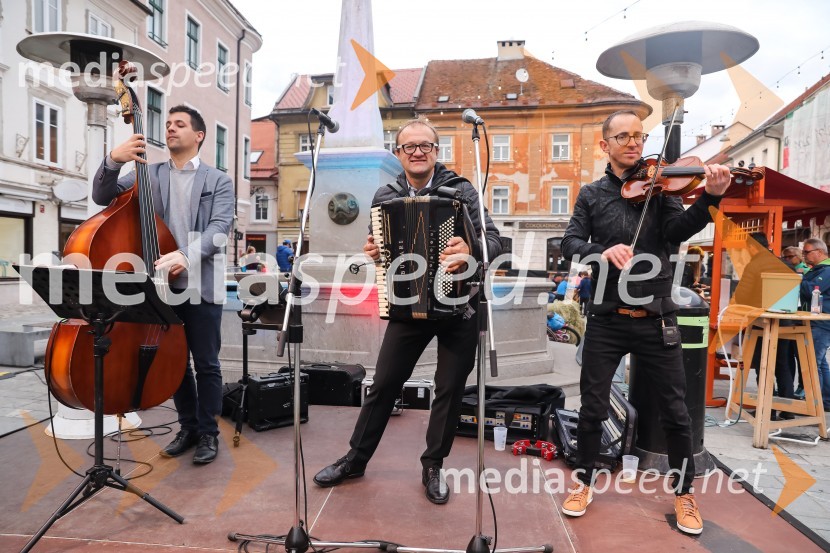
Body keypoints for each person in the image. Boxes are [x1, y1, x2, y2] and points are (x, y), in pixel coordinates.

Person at [560, 110, 732, 535]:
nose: (635, 143)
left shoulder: (662, 189)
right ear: (605, 145)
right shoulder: (591, 194)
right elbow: (570, 242)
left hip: (656, 318)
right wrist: (600, 251)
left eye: (639, 136)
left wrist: (710, 198)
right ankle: (584, 482)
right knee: (592, 408)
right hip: (607, 319)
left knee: (676, 411)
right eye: (623, 137)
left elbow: (679, 230)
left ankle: (684, 492)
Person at [313, 118, 501, 504]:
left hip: (459, 307)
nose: (417, 152)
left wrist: (470, 249)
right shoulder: (386, 194)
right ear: (398, 153)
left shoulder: (461, 190)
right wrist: (374, 251)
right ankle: (356, 459)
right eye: (409, 146)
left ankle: (433, 465)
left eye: (425, 146)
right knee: (383, 384)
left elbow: (496, 240)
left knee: (449, 389)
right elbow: (381, 247)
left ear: (436, 151)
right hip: (408, 307)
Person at [93, 105, 233, 465]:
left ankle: (209, 433)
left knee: (207, 364)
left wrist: (186, 254)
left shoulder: (219, 181)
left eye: (179, 124)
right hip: (158, 286)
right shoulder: (147, 173)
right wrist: (113, 160)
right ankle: (188, 428)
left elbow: (219, 229)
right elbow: (102, 196)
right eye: (168, 123)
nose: (170, 128)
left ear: (198, 136)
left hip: (201, 285)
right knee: (175, 363)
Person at [798, 238, 830, 411]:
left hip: (821, 323)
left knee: (812, 363)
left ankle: (814, 405)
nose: (804, 255)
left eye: (807, 252)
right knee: (820, 363)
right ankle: (825, 401)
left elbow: (812, 290)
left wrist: (799, 279)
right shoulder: (816, 269)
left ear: (819, 252)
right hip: (816, 321)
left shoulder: (827, 270)